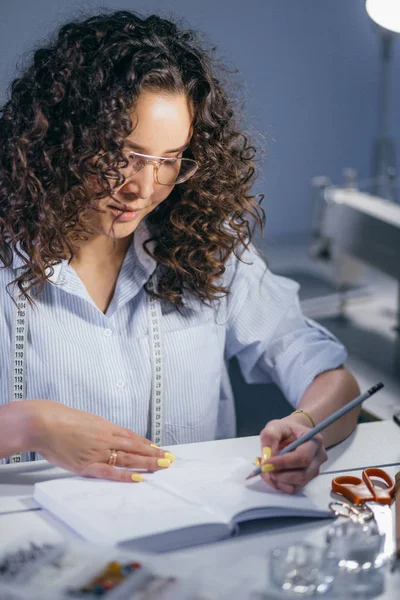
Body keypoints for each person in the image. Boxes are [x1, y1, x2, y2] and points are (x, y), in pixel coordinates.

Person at [0, 10, 360, 493]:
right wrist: (27, 426)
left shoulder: (207, 249)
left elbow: (332, 379)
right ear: (59, 140)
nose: (143, 188)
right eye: (123, 155)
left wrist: (305, 425)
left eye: (168, 161)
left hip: (188, 548)